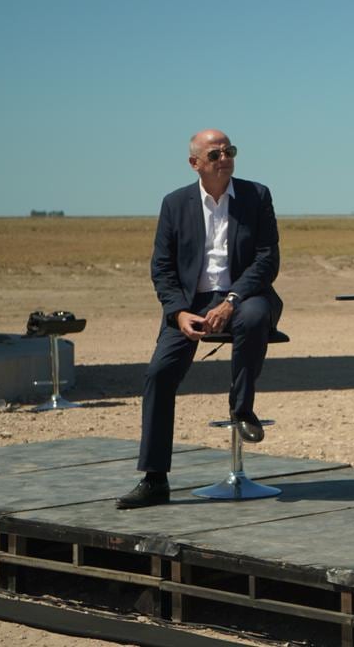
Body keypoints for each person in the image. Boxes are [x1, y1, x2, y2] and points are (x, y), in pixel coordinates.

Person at [116, 130, 282, 509]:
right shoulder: (175, 204)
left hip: (246, 293)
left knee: (253, 318)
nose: (224, 157)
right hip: (192, 302)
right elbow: (162, 267)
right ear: (196, 164)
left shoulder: (257, 196)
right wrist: (178, 312)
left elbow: (267, 259)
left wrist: (232, 299)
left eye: (229, 151)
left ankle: (242, 408)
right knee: (159, 373)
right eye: (215, 153)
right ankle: (155, 479)